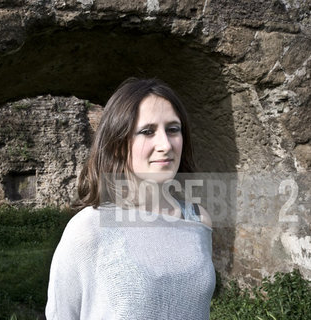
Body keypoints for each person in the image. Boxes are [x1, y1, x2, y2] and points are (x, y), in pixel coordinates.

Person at [45, 78, 216, 320]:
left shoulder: (199, 219)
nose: (165, 145)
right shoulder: (89, 229)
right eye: (148, 131)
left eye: (173, 129)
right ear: (118, 145)